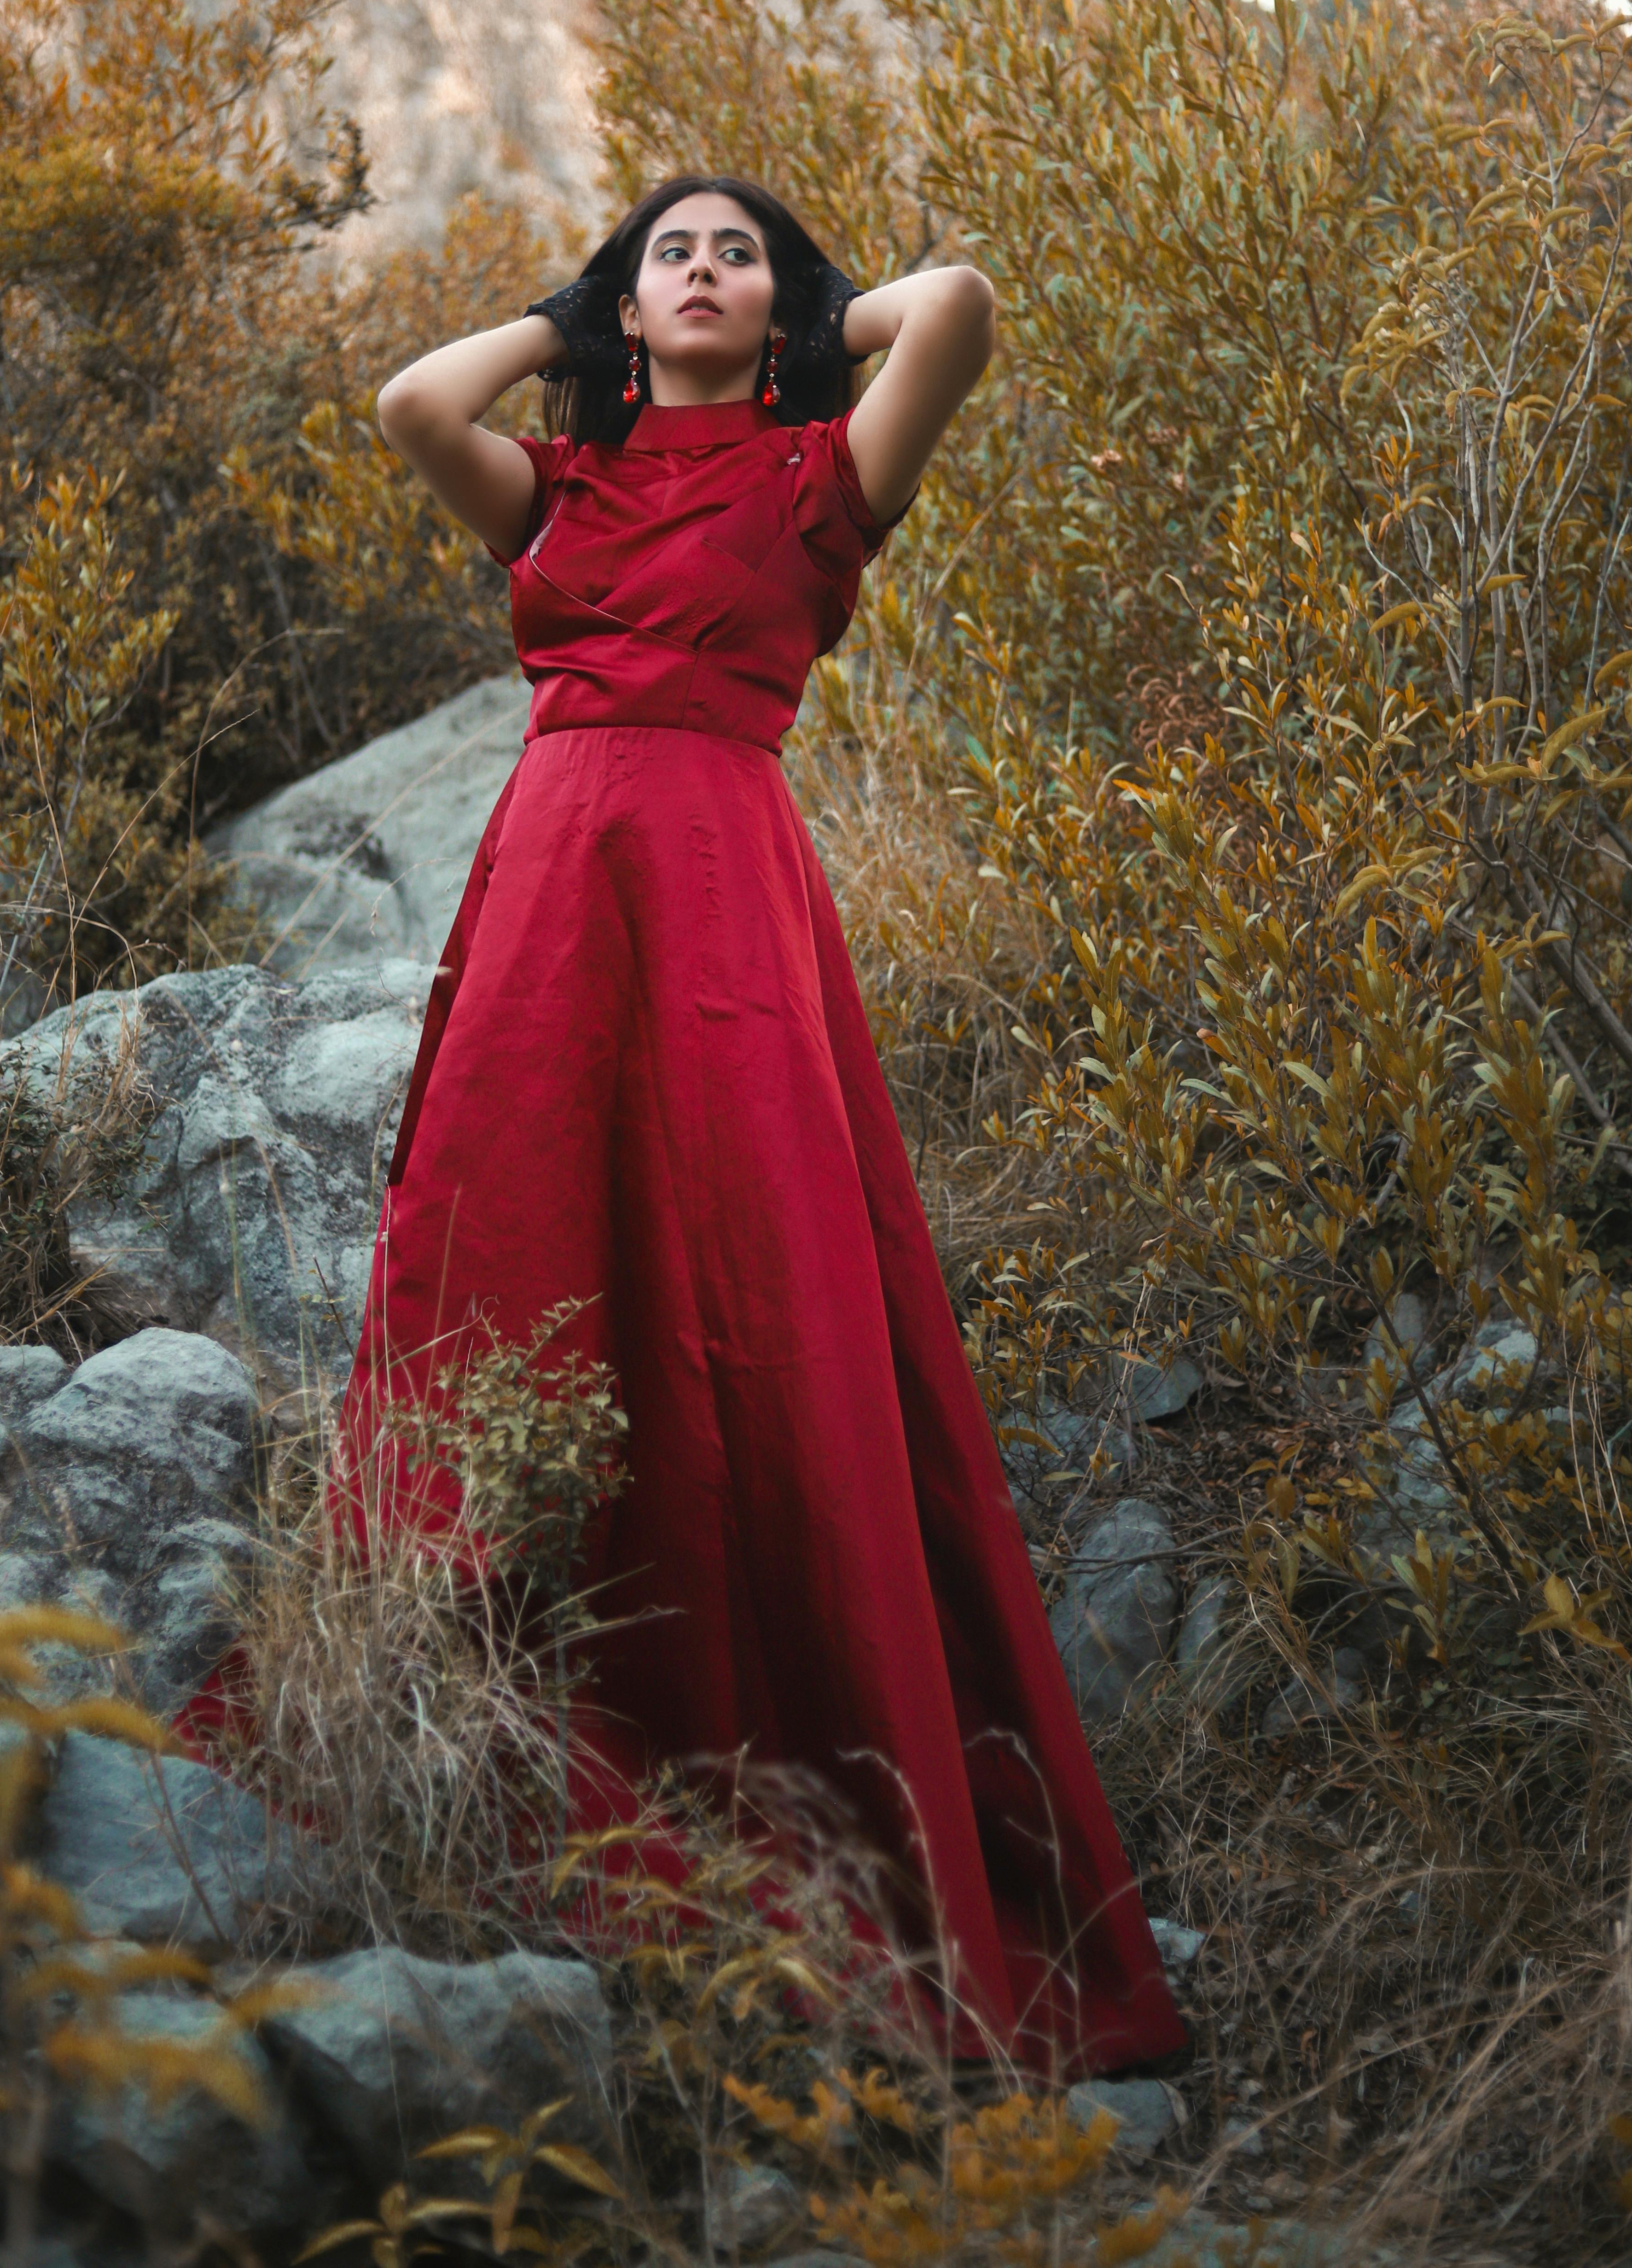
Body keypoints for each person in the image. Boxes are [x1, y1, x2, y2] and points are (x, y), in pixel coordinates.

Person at [337, 173, 1184, 2078]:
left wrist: (804, 323)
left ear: (783, 308)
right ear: (623, 310)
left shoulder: (820, 479)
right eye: (671, 253)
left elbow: (953, 298)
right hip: (550, 895)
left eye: (736, 252)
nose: (702, 271)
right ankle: (489, 1707)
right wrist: (580, 319)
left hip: (719, 899)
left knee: (756, 1295)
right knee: (511, 1263)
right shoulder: (554, 492)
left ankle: (797, 1770)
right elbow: (410, 409)